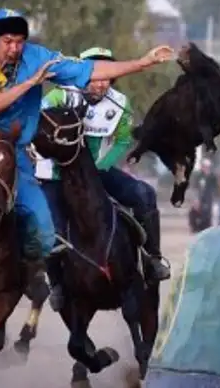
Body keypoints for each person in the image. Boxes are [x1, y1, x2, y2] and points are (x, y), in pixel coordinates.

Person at [0, 8, 173, 306]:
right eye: (8, 41)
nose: (15, 48)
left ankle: (31, 277)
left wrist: (144, 62)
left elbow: (89, 71)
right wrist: (28, 84)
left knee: (43, 230)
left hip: (14, 151)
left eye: (20, 41)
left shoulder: (38, 58)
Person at [37, 46, 170, 309]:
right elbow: (37, 122)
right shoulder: (59, 95)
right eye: (94, 76)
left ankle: (153, 258)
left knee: (145, 195)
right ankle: (57, 285)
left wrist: (102, 165)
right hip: (55, 172)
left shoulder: (120, 104)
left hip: (97, 171)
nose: (99, 83)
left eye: (105, 77)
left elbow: (122, 141)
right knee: (52, 228)